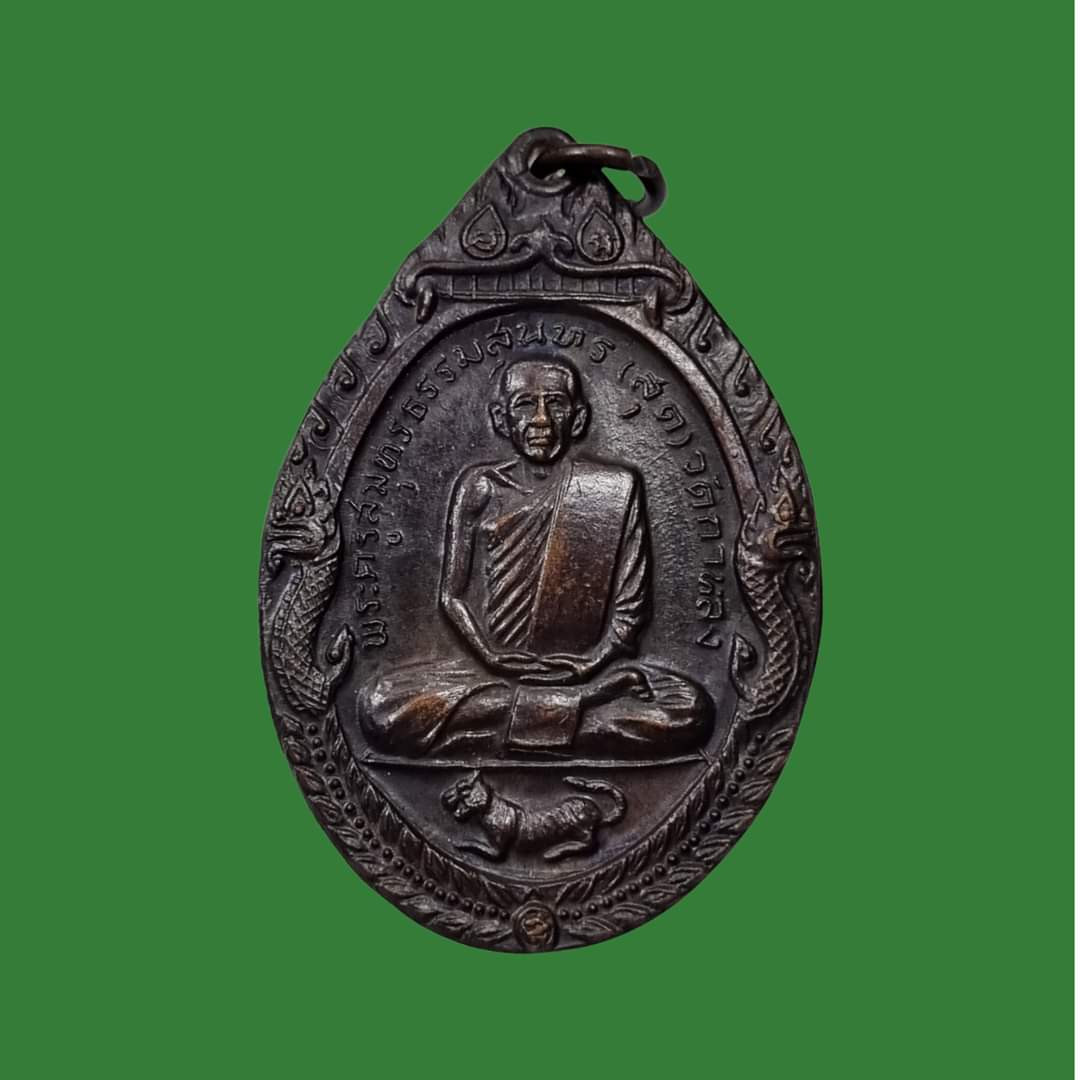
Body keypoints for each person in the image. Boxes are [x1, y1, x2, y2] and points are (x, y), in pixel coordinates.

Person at [358, 354, 712, 757]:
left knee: (689, 710)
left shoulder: (614, 488)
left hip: (590, 672)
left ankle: (504, 728)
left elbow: (630, 612)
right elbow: (451, 596)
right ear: (501, 419)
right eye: (525, 404)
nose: (541, 420)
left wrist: (592, 664)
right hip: (491, 673)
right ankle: (576, 715)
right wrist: (491, 656)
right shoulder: (480, 487)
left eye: (556, 404)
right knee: (383, 707)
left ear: (577, 419)